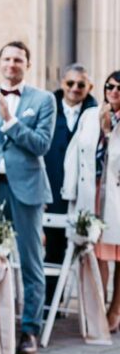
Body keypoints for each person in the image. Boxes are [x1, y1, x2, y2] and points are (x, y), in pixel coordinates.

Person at [0, 41, 56, 354]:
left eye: (18, 59)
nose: (11, 64)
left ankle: (30, 329)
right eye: (6, 58)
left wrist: (9, 122)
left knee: (30, 260)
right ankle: (0, 327)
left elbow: (41, 144)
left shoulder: (43, 100)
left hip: (27, 187)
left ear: (27, 64)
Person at [63, 71, 120, 331]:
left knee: (117, 254)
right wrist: (70, 193)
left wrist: (110, 134)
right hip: (92, 194)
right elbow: (73, 153)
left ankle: (115, 309)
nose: (114, 92)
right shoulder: (90, 115)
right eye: (110, 86)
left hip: (117, 196)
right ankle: (96, 307)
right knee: (96, 253)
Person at [45, 64, 96, 279]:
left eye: (81, 84)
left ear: (89, 87)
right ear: (62, 83)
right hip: (53, 188)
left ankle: (87, 306)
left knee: (84, 248)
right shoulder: (48, 109)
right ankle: (50, 304)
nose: (75, 88)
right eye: (70, 83)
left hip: (84, 192)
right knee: (53, 248)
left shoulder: (95, 114)